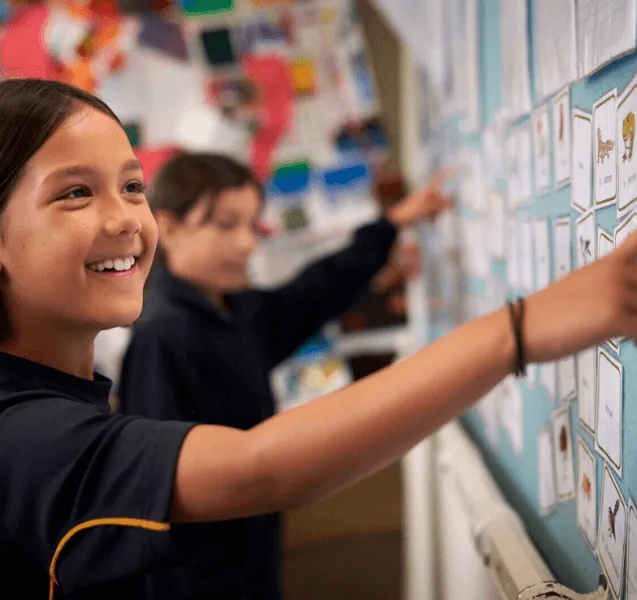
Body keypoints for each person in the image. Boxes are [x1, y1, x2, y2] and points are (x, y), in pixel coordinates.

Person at [0, 78, 637, 600]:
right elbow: (256, 470)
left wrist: (390, 233)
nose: (124, 218)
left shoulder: (40, 385)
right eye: (75, 192)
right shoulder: (6, 423)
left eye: (132, 186)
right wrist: (518, 332)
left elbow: (298, 303)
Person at [117, 152, 450, 600]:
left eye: (252, 226)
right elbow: (162, 494)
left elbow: (313, 293)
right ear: (169, 228)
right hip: (204, 580)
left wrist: (390, 225)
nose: (247, 243)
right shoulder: (164, 337)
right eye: (224, 225)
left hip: (251, 555)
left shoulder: (231, 311)